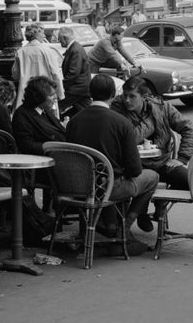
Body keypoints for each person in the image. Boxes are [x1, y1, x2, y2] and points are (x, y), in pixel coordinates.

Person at [64, 74, 159, 239]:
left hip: (75, 186)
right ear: (113, 94)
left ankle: (110, 224)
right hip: (107, 188)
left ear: (90, 92)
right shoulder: (121, 123)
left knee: (110, 175)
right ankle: (125, 226)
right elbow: (135, 169)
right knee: (152, 177)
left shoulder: (74, 121)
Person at [112, 76, 193, 192]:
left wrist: (182, 158)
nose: (127, 100)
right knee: (141, 186)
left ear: (144, 97)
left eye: (132, 96)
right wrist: (150, 124)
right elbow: (129, 139)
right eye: (125, 95)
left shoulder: (163, 107)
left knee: (190, 181)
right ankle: (138, 210)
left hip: (162, 163)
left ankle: (161, 203)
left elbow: (189, 129)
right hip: (135, 165)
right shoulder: (117, 110)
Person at [12, 76, 67, 212]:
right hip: (41, 166)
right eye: (51, 95)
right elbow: (26, 145)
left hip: (57, 158)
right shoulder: (22, 115)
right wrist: (50, 146)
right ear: (39, 97)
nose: (55, 98)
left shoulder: (45, 111)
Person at [12, 23, 65, 111]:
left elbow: (15, 75)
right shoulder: (47, 51)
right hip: (46, 93)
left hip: (26, 93)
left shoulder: (20, 52)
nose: (44, 36)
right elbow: (56, 74)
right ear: (36, 35)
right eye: (42, 33)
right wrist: (60, 94)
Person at [57, 25, 91, 118]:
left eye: (59, 38)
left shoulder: (75, 50)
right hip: (82, 88)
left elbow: (73, 73)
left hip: (77, 89)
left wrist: (61, 86)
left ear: (65, 38)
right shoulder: (75, 48)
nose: (58, 41)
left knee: (56, 106)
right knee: (87, 110)